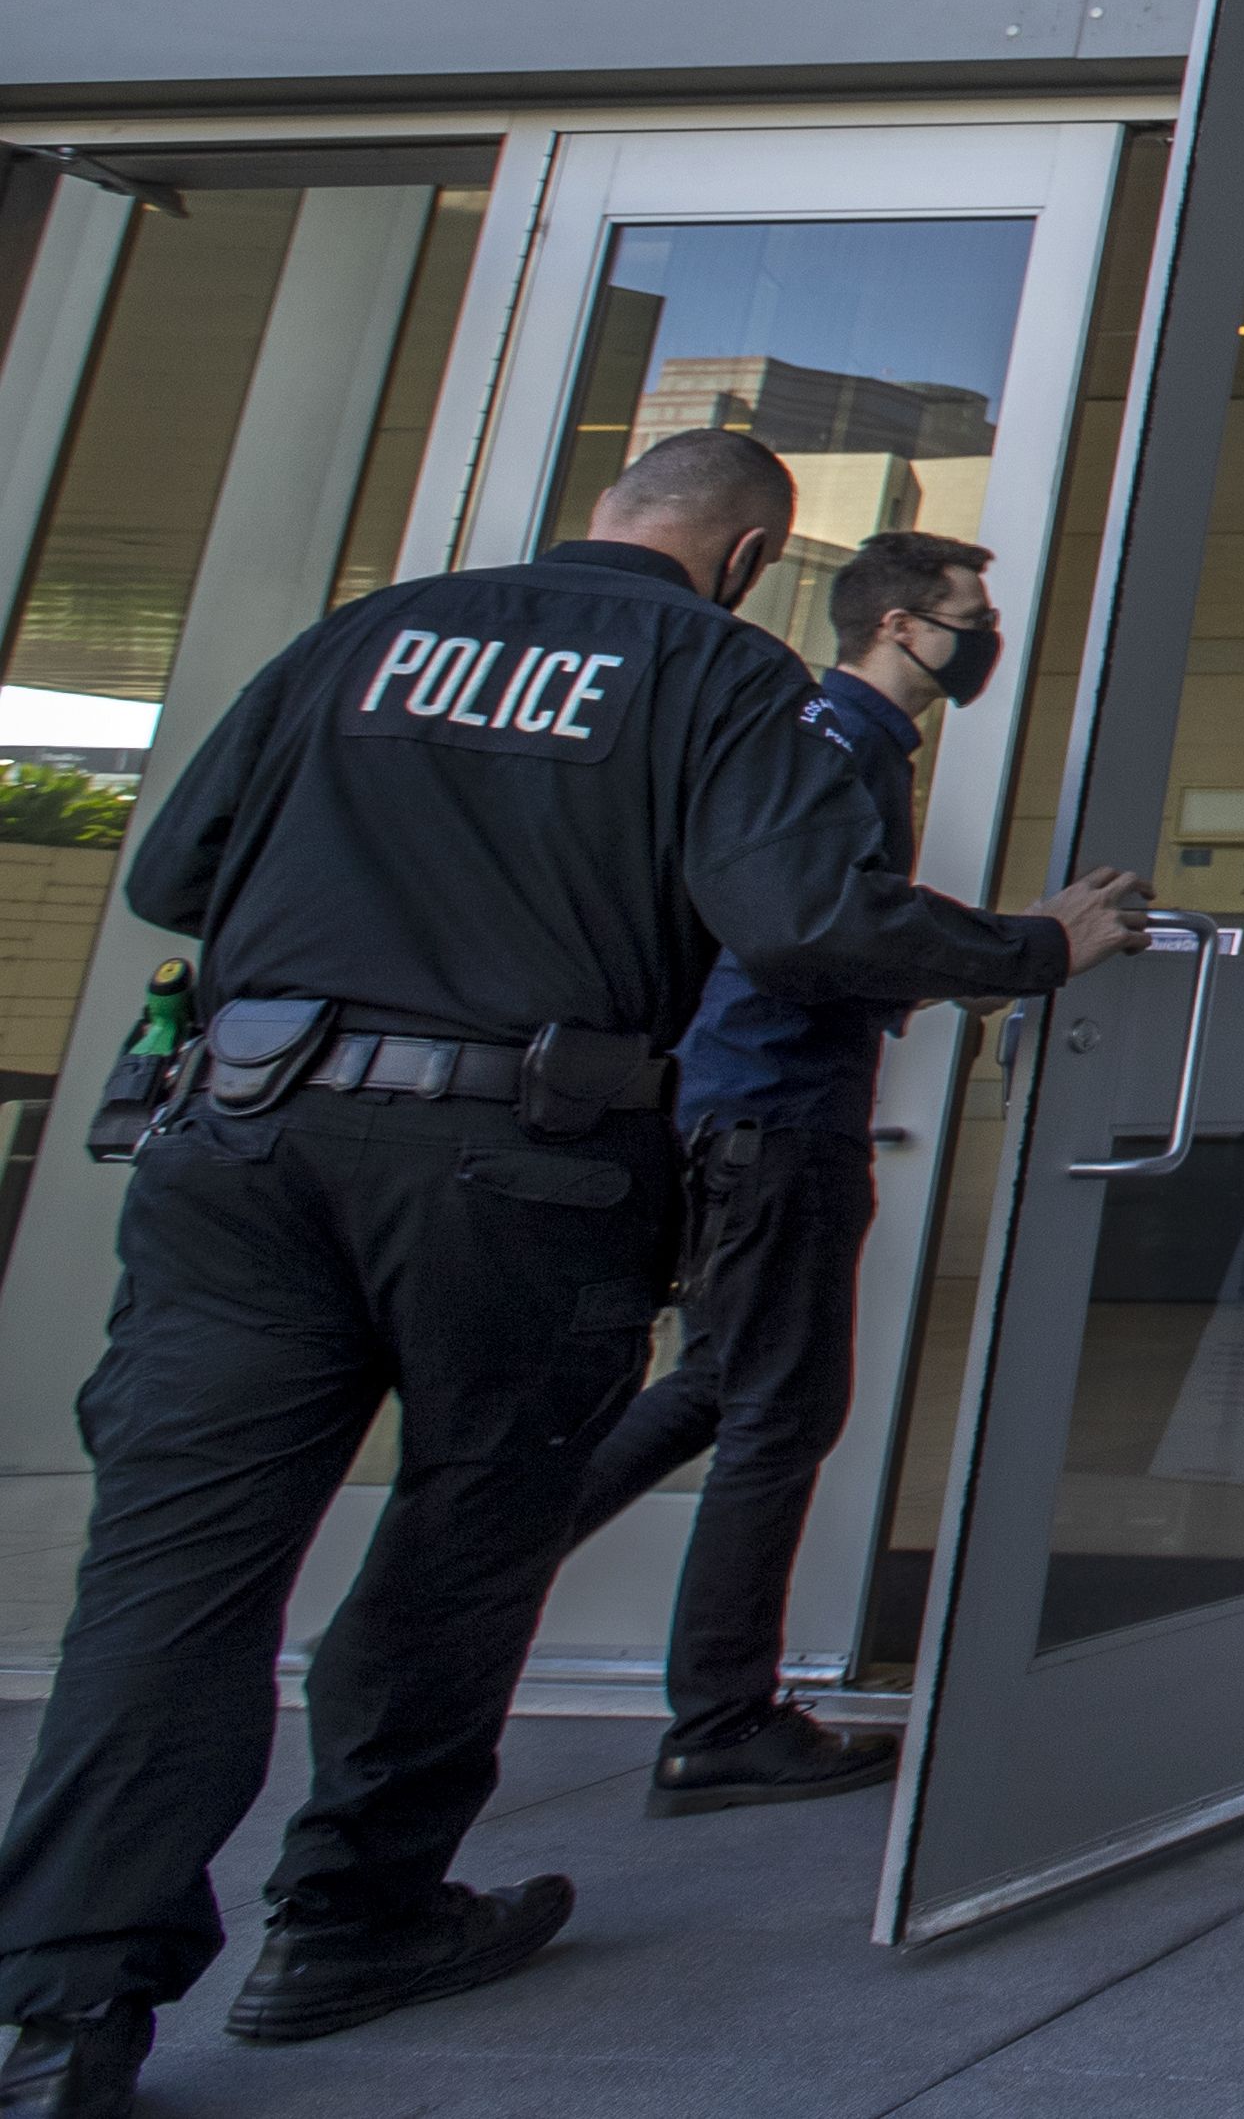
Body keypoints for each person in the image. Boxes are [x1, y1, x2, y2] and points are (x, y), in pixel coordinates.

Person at [0, 433, 1145, 2119]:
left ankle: (58, 2017)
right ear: (753, 555)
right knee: (464, 1540)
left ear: (605, 514)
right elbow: (801, 923)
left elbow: (175, 873)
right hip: (513, 1163)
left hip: (243, 1144)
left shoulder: (365, 637)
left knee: (170, 1579)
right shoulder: (714, 672)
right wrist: (1035, 947)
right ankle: (352, 1917)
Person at [551, 526, 1011, 1818]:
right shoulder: (839, 743)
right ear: (901, 626)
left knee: (718, 1385)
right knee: (779, 1415)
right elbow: (812, 934)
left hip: (747, 1117)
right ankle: (721, 1721)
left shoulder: (839, 744)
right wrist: (1023, 952)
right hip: (774, 1124)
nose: (983, 634)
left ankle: (476, 1567)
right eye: (969, 610)